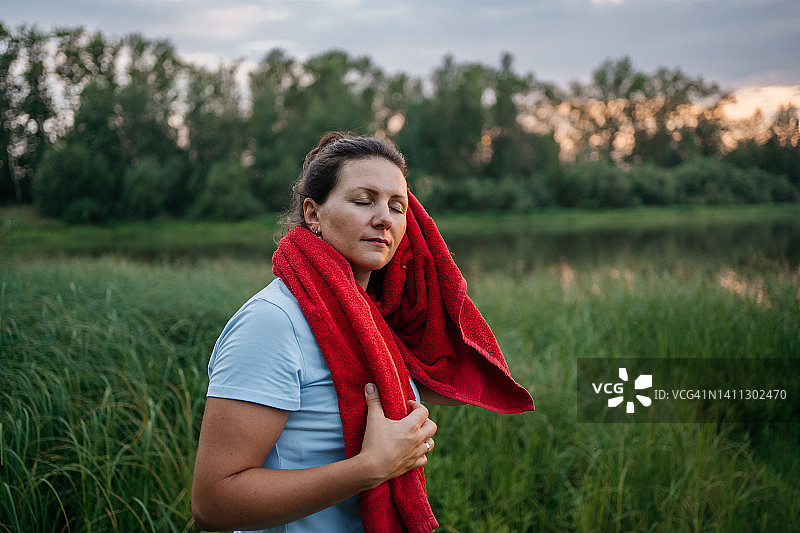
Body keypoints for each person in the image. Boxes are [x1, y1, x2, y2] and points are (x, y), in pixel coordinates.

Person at [191, 132, 534, 533]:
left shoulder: (371, 319)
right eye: (363, 201)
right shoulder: (273, 322)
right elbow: (212, 503)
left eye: (397, 206)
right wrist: (371, 468)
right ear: (313, 214)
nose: (385, 218)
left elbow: (447, 375)